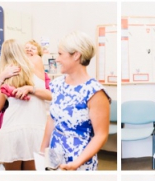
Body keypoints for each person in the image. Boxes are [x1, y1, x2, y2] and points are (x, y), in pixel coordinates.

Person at [40, 31, 110, 170]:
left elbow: (101, 135)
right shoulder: (58, 84)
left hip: (79, 161)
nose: (57, 59)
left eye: (60, 54)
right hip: (54, 158)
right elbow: (52, 120)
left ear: (76, 55)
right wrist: (43, 151)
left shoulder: (94, 92)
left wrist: (77, 163)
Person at [0, 39, 52, 170]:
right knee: (31, 179)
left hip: (13, 129)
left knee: (13, 180)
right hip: (36, 129)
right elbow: (51, 96)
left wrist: (1, 77)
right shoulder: (37, 62)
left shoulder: (8, 74)